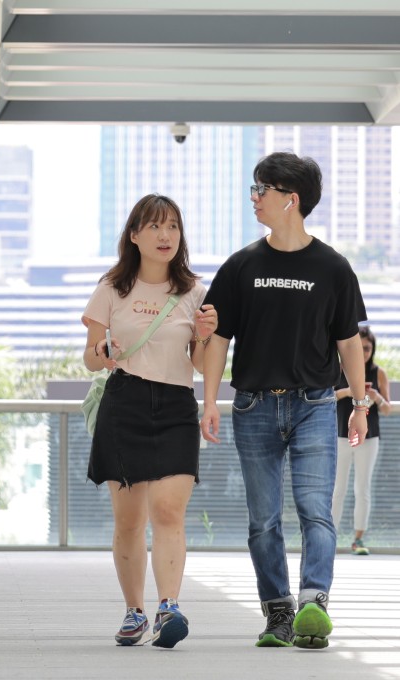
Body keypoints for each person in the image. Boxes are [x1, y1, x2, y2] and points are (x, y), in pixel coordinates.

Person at [201, 152, 368, 650]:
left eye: (262, 190)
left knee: (317, 510)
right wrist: (209, 401)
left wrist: (359, 403)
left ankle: (313, 605)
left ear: (290, 199)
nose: (254, 199)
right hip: (252, 407)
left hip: (315, 405)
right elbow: (216, 339)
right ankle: (278, 613)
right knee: (263, 519)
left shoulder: (333, 267)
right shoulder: (241, 265)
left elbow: (349, 344)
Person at [82, 194, 216, 649]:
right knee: (129, 521)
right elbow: (90, 358)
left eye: (174, 226)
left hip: (177, 406)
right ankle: (134, 611)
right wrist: (102, 353)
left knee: (168, 511)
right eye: (156, 227)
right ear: (134, 235)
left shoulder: (195, 292)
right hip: (126, 403)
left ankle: (169, 607)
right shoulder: (112, 288)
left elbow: (199, 363)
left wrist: (206, 335)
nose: (166, 236)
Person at [332, 325, 389, 556]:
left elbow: (387, 409)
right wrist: (349, 391)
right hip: (341, 435)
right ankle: (330, 537)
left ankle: (359, 537)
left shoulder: (378, 373)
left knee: (362, 488)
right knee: (338, 488)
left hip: (369, 436)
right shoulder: (338, 369)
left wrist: (375, 398)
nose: (364, 352)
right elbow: (327, 396)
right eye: (360, 347)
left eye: (367, 348)